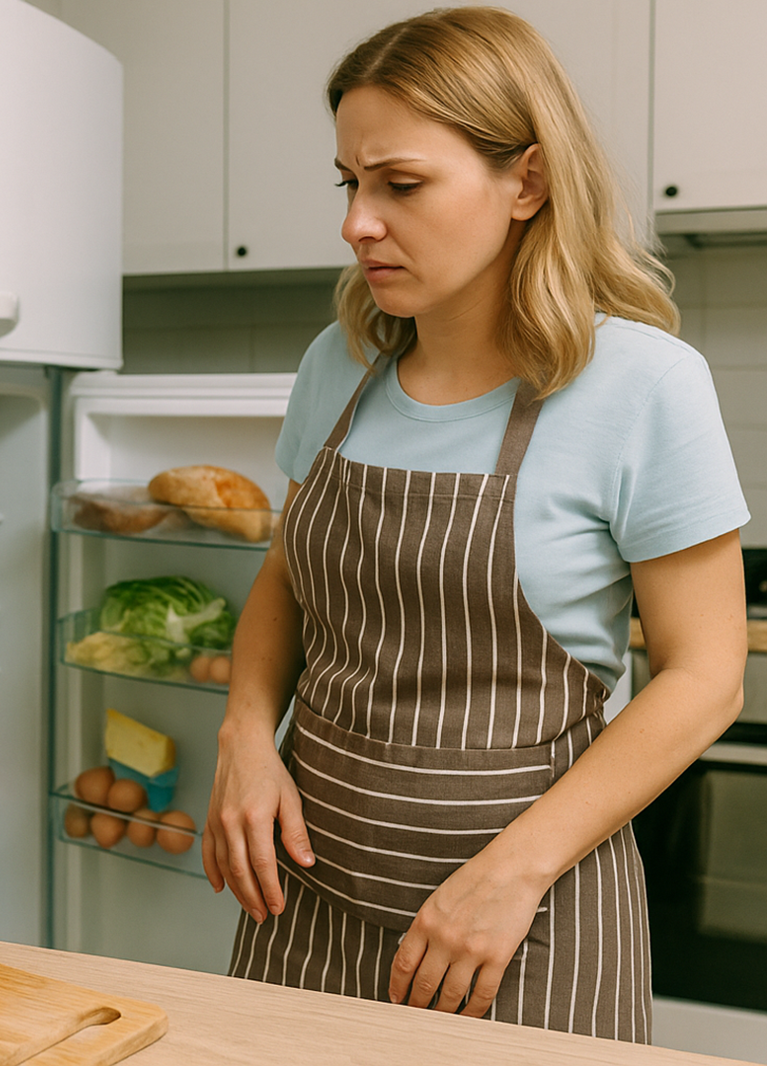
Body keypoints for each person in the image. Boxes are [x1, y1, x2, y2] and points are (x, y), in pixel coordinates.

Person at [200, 7, 747, 1043]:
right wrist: (244, 732)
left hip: (519, 920)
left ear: (526, 181)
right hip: (307, 898)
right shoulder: (340, 366)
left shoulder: (640, 383)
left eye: (399, 184)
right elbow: (285, 575)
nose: (358, 220)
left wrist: (512, 872)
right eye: (348, 182)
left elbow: (706, 674)